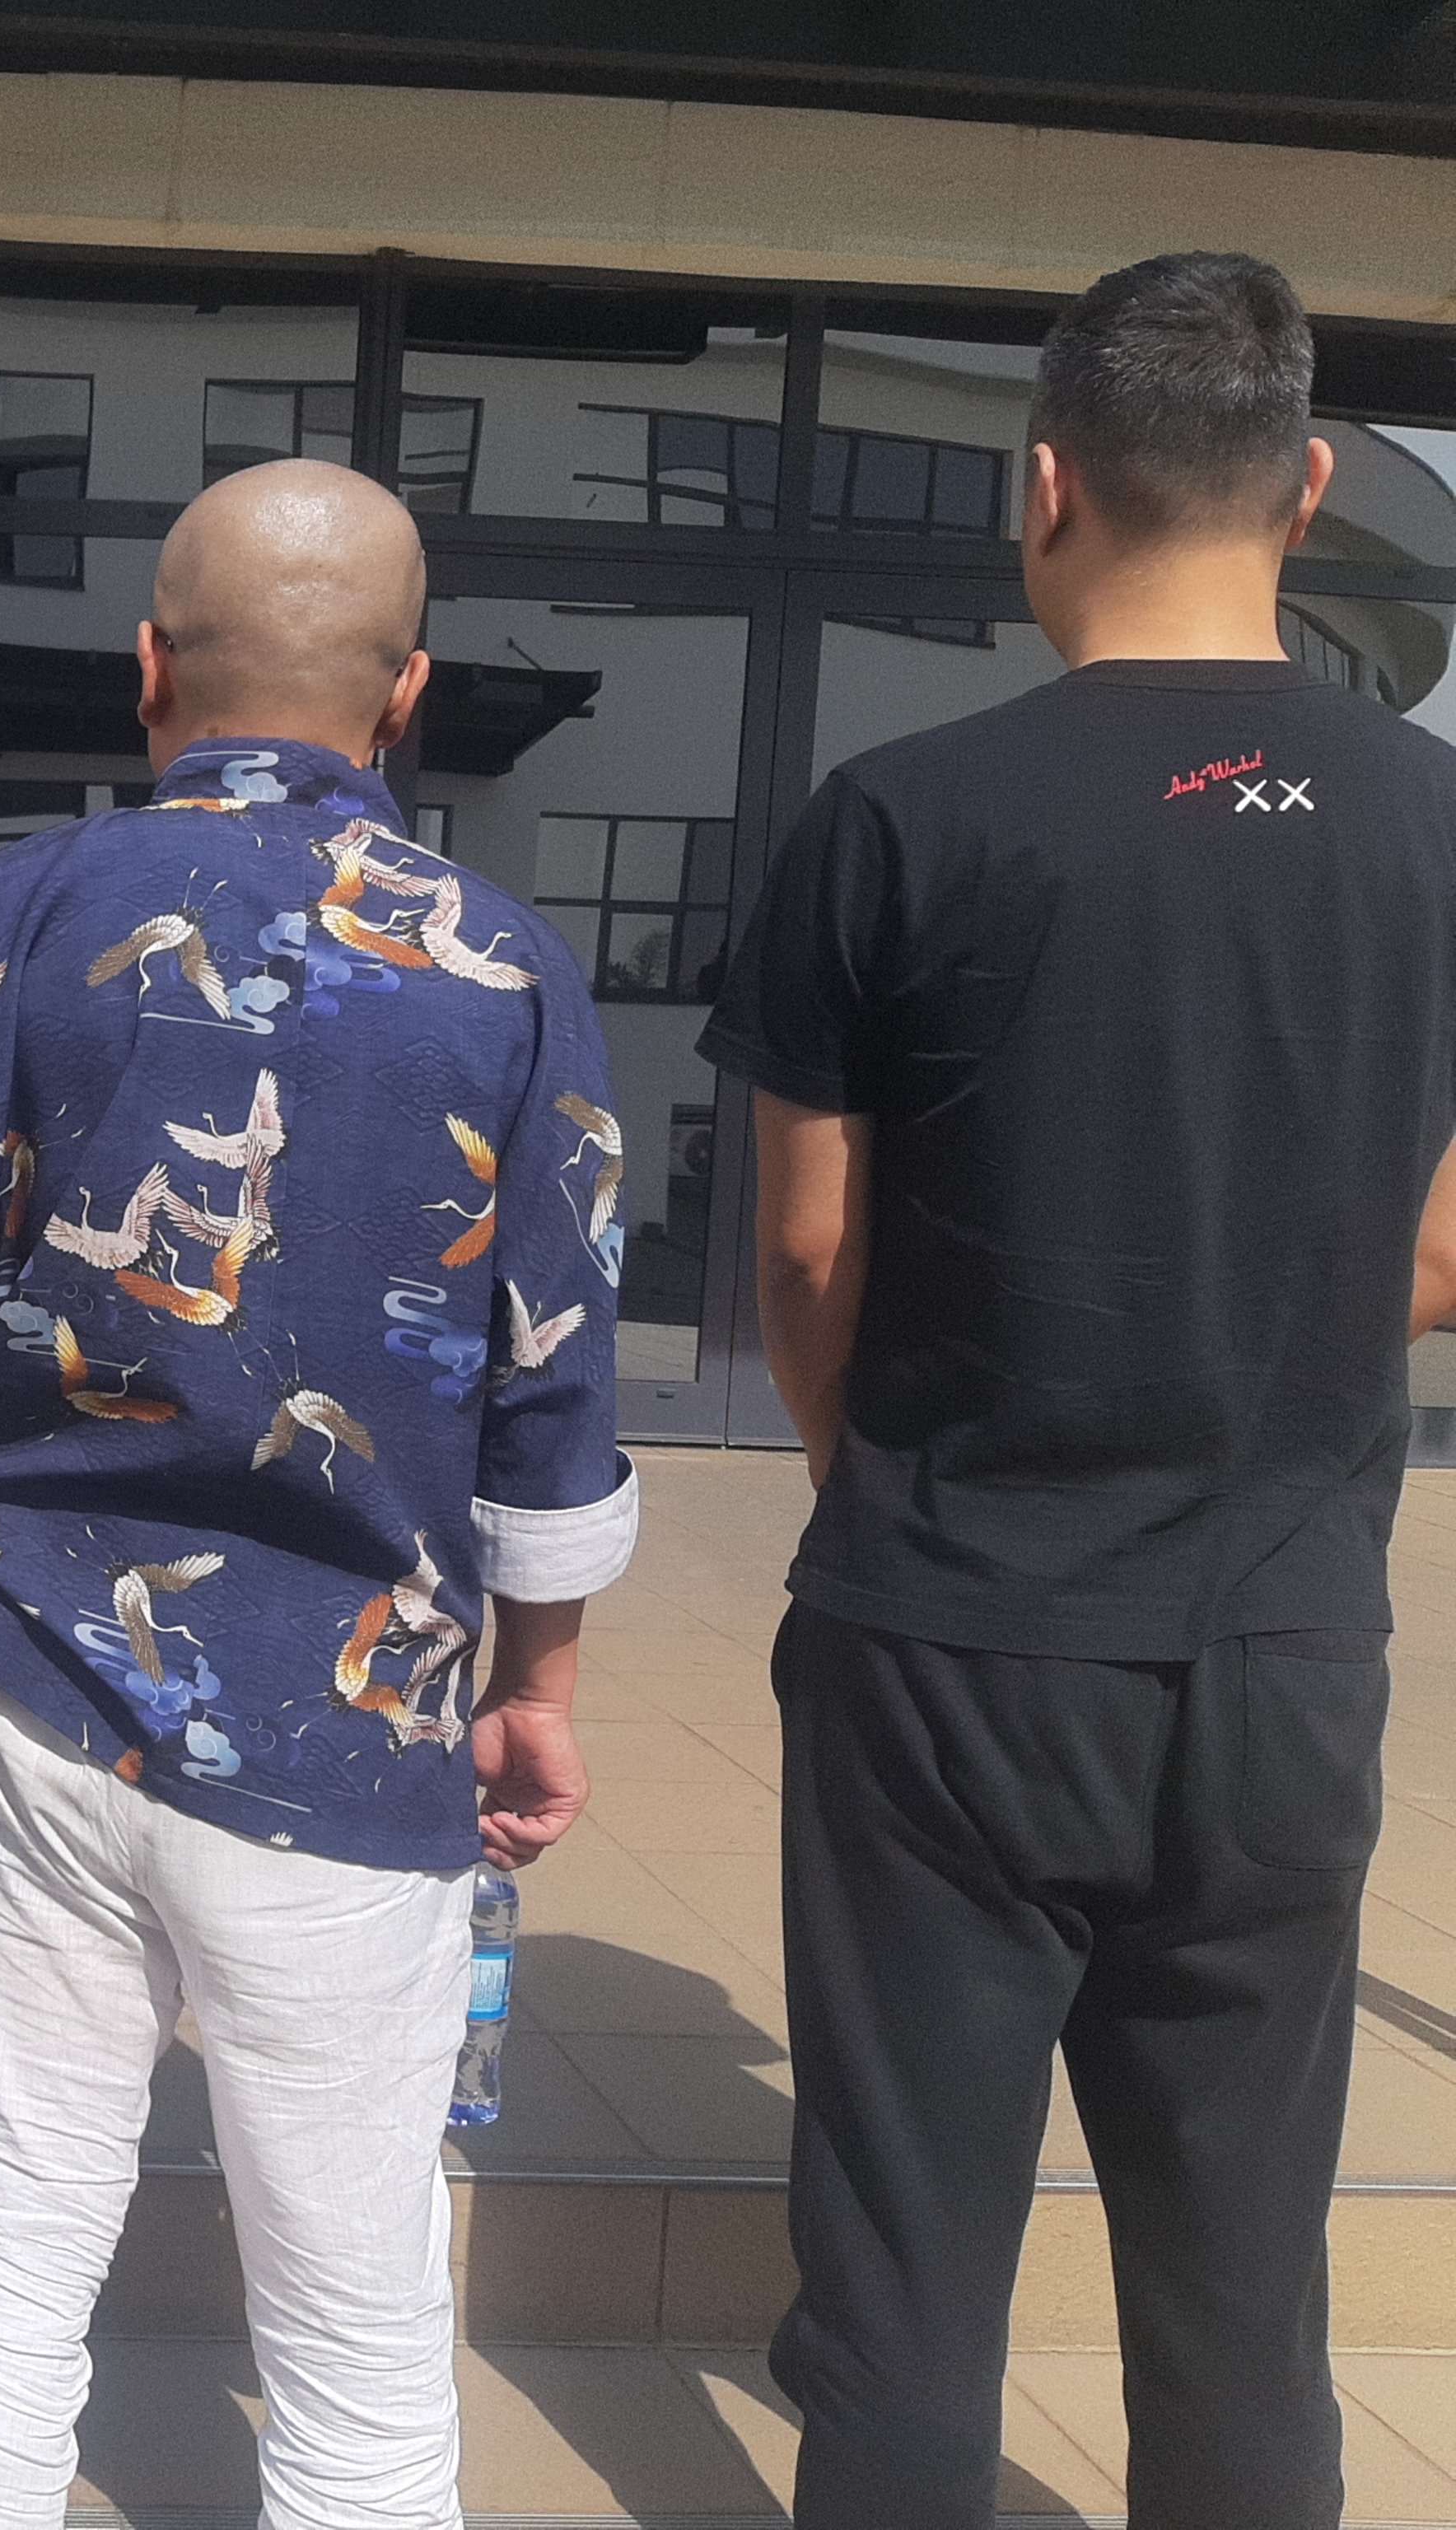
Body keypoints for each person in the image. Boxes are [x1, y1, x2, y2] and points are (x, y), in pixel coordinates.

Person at [0, 459, 639, 2527]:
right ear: (403, 694)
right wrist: (538, 1682)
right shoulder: (507, 969)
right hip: (361, 1720)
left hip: (41, 1682)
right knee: (353, 2314)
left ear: (147, 669)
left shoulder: (18, 908)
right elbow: (555, 1366)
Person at [700, 250, 1456, 2529]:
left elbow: (806, 1251)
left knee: (907, 2295)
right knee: (1239, 2300)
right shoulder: (1432, 826)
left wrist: (867, 1475)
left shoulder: (897, 818)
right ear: (1303, 493)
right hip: (1281, 1644)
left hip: (951, 1629)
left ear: (1040, 487)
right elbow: (1439, 1249)